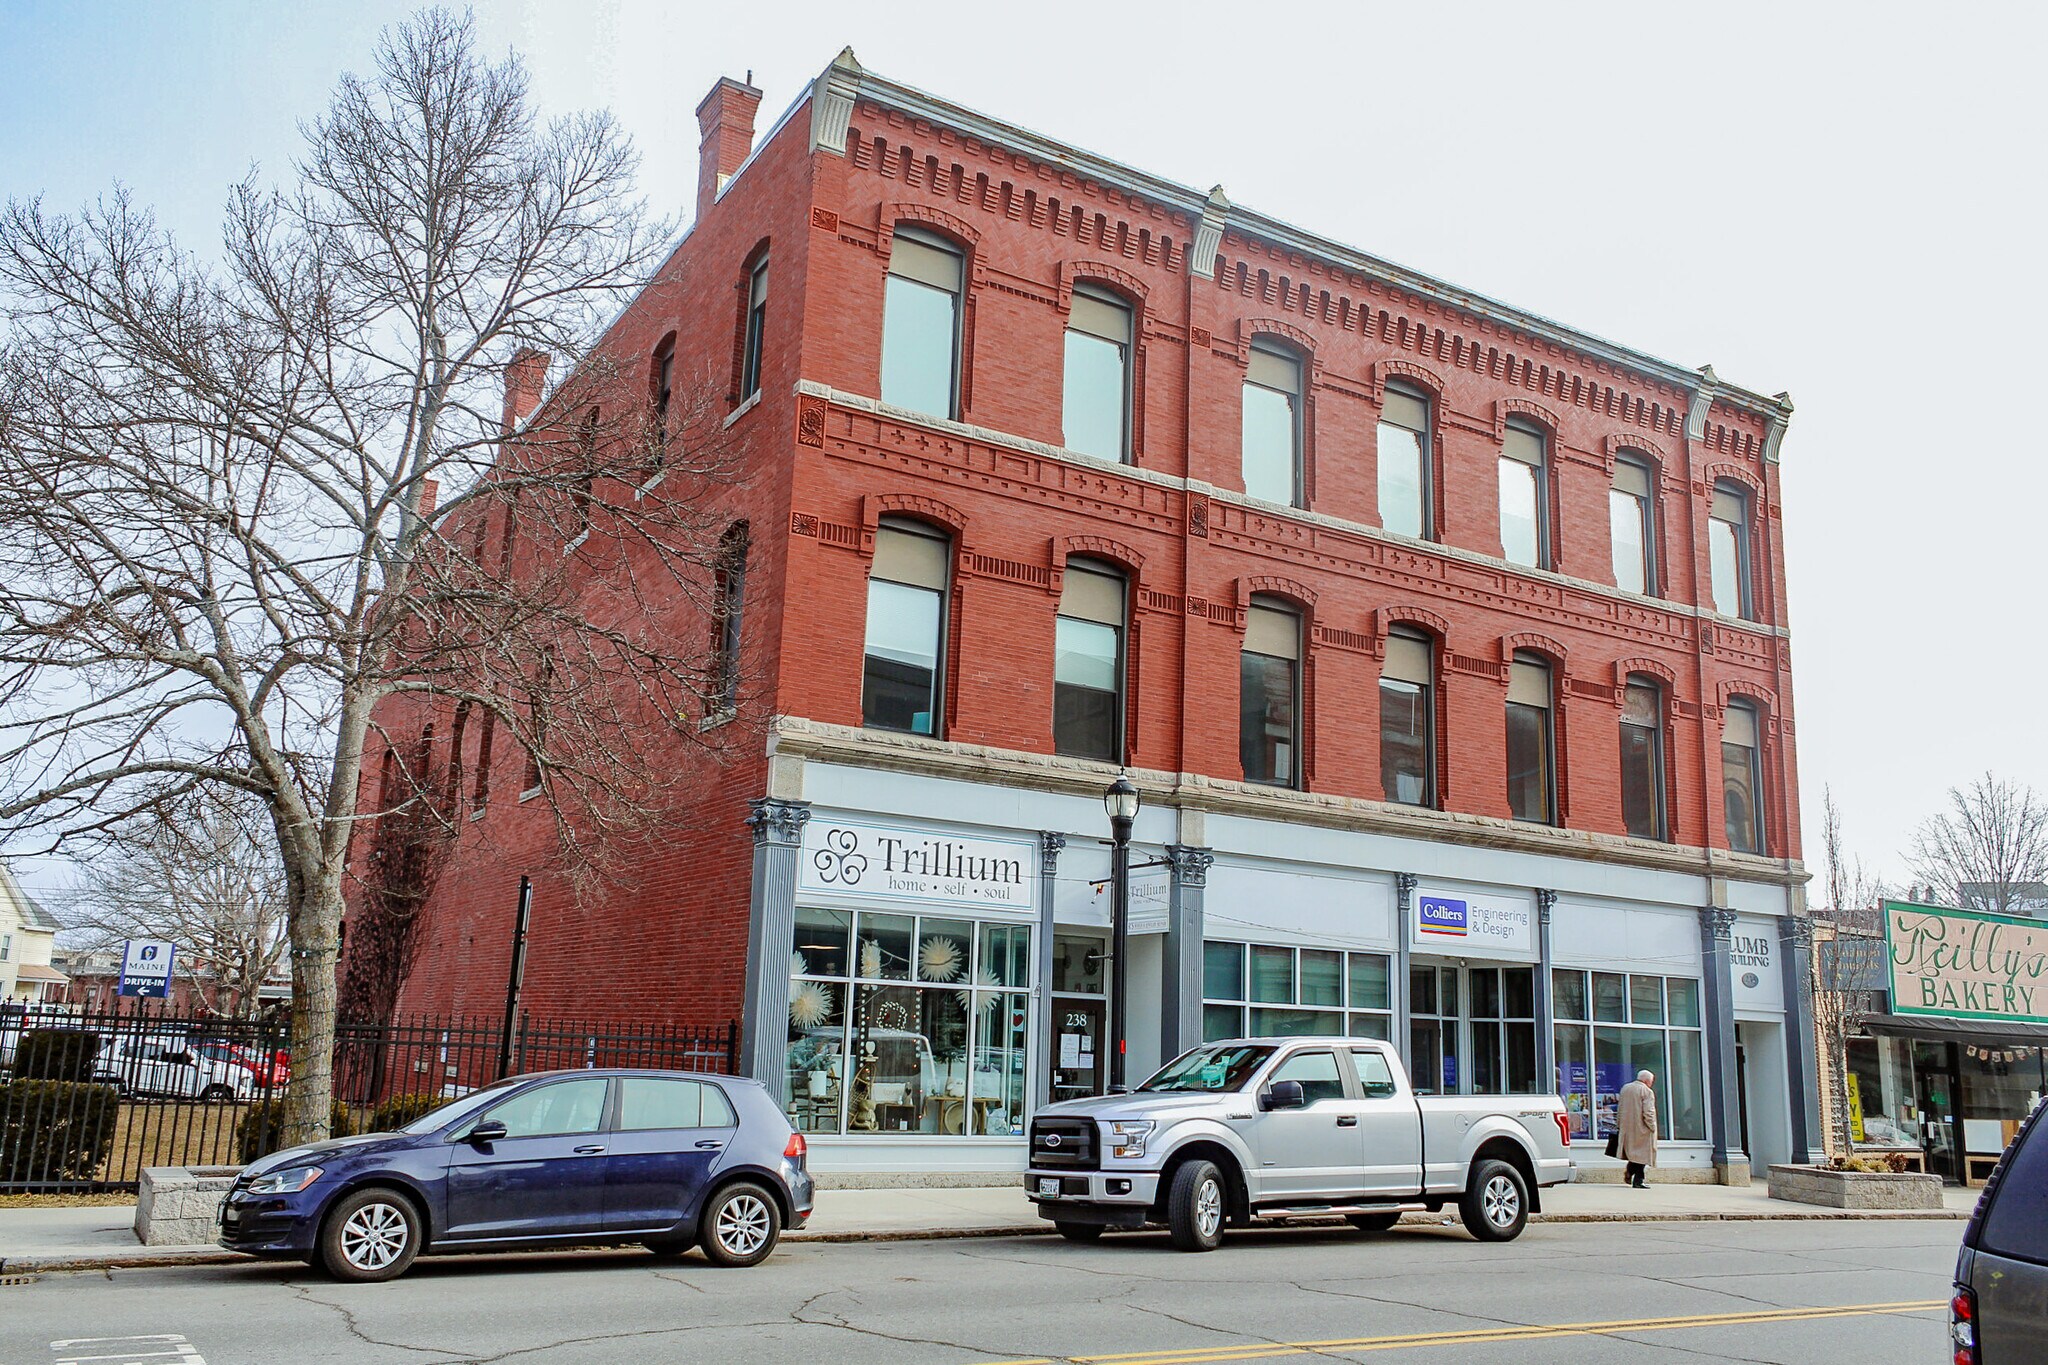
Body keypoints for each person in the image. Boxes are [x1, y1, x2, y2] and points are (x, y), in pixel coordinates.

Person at [1618, 1069, 1658, 1188]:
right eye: (1651, 1081)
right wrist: (1653, 1126)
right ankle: (1638, 1180)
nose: (1651, 1084)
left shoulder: (1626, 1088)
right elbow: (1649, 1112)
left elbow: (1619, 1108)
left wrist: (1619, 1124)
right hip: (1642, 1128)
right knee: (1643, 1155)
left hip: (1627, 1127)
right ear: (1646, 1081)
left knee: (1635, 1154)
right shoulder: (1647, 1091)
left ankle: (1630, 1172)